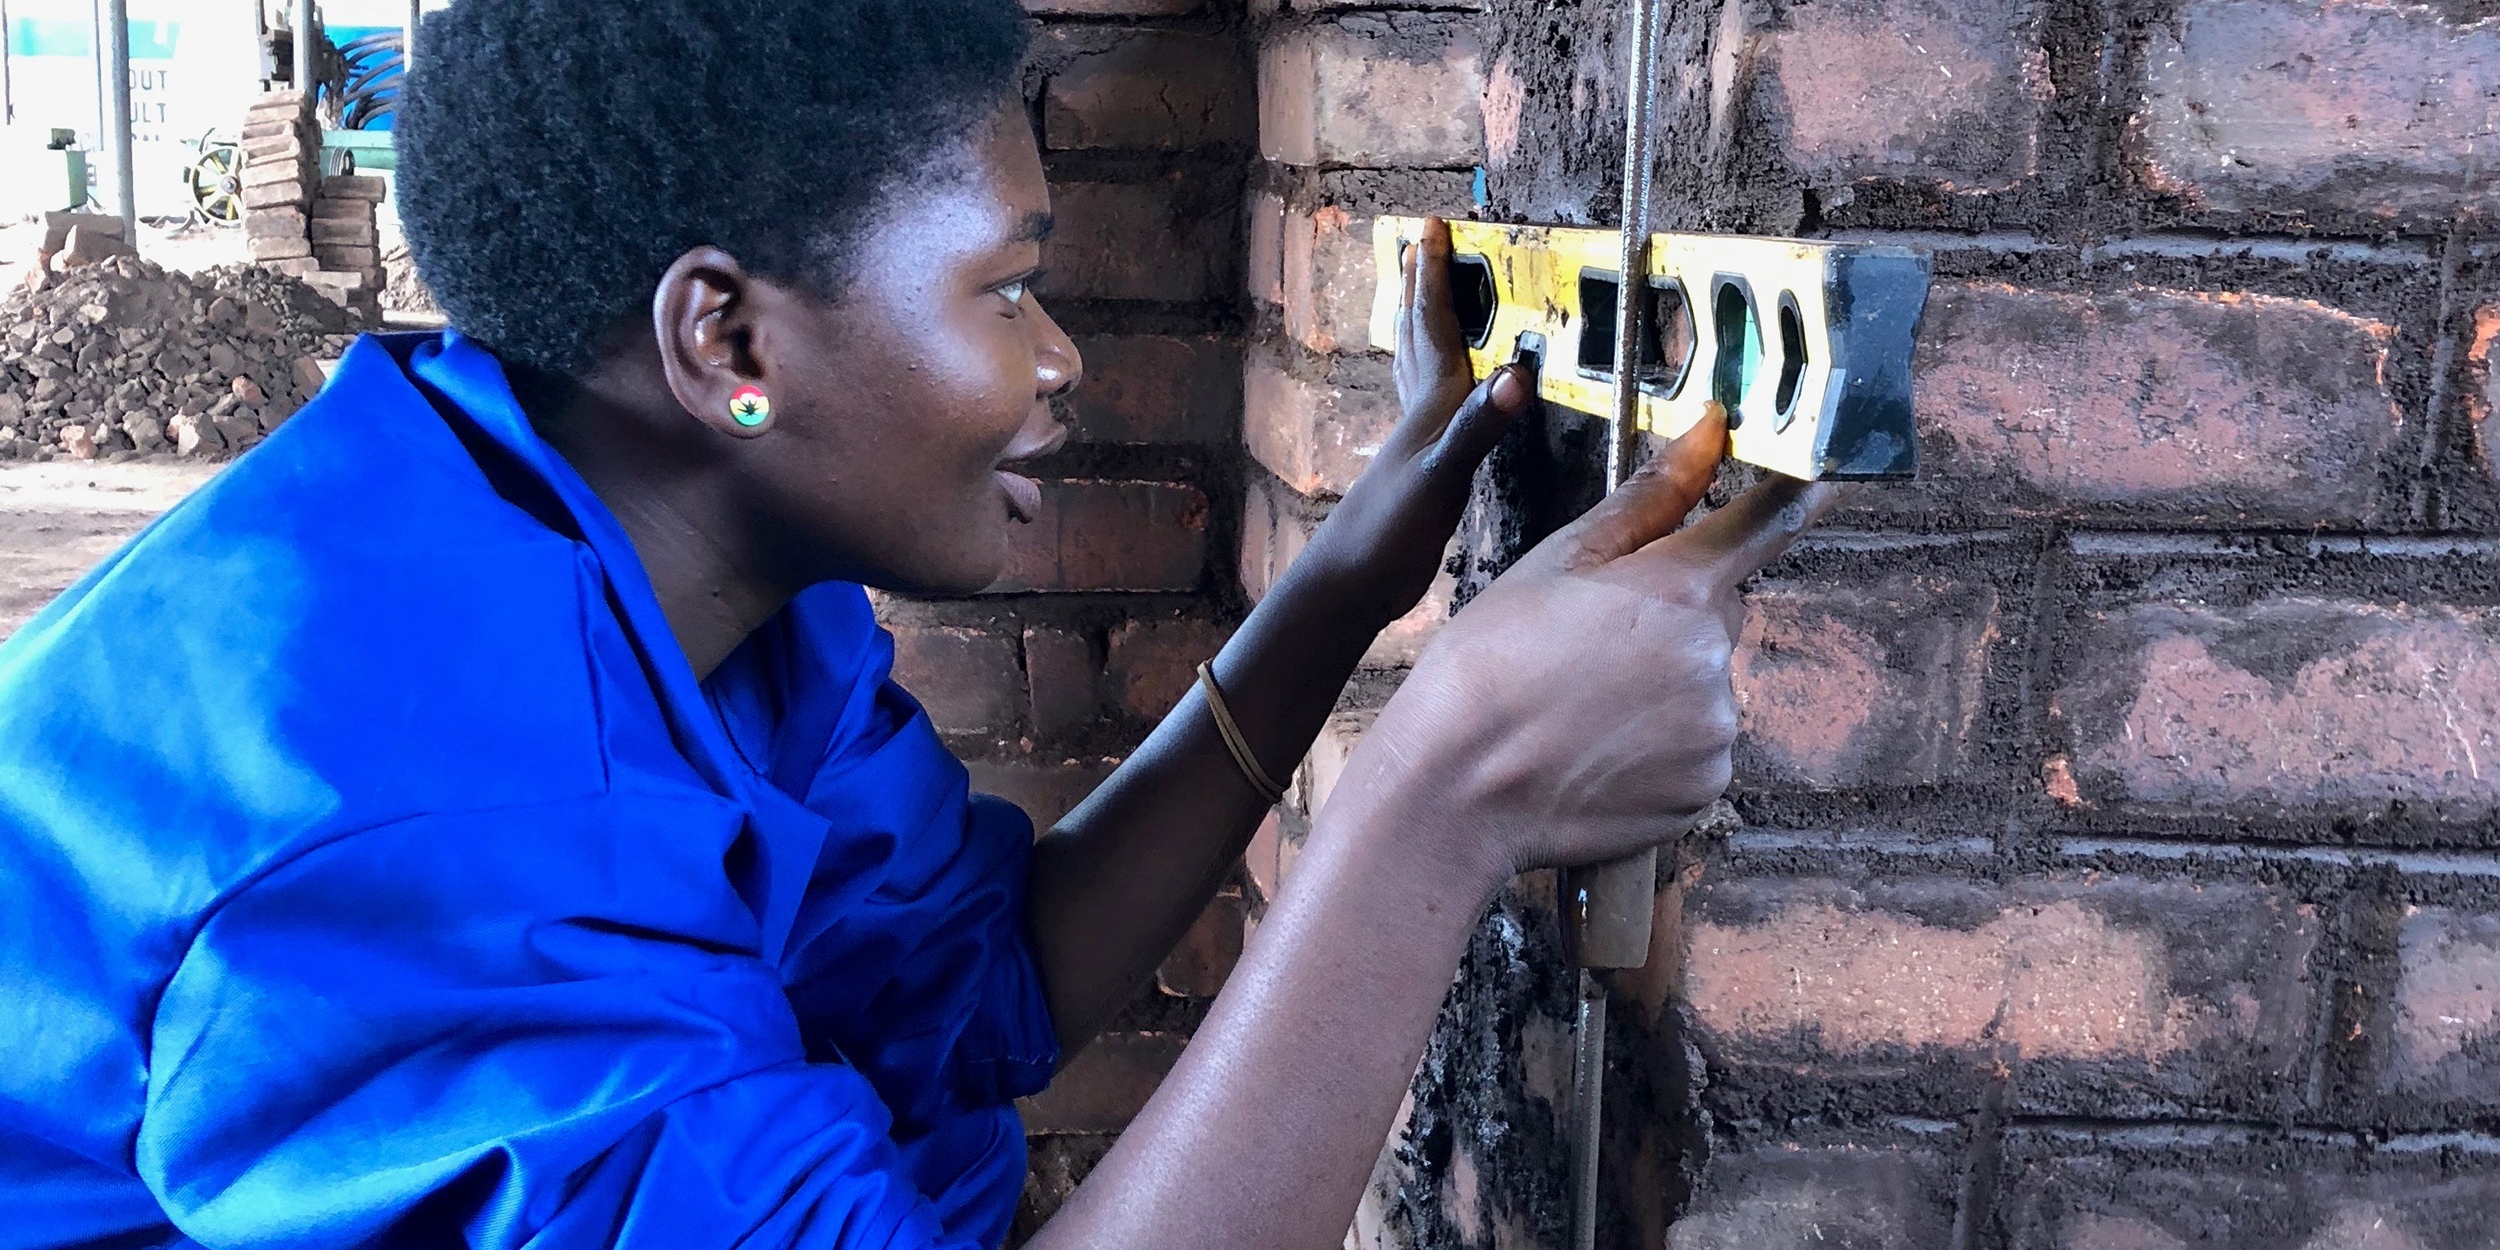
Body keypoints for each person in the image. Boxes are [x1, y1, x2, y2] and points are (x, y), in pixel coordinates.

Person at [0, 1, 1836, 1246]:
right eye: (1010, 289)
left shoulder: (672, 586)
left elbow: (986, 984)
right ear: (727, 342)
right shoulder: (428, 811)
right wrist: (1445, 798)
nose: (1061, 361)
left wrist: (1347, 585)